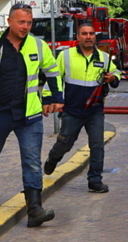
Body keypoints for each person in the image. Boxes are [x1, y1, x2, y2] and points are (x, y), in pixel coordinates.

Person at [0, 3, 63, 227]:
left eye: (29, 22)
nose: (25, 26)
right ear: (9, 22)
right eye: (21, 22)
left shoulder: (38, 45)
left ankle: (35, 209)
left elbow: (52, 71)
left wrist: (56, 98)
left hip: (29, 115)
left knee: (32, 162)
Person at [43, 22, 121, 192]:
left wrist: (112, 78)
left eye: (91, 34)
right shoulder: (65, 56)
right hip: (72, 110)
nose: (88, 37)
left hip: (95, 110)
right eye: (84, 34)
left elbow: (116, 73)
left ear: (95, 37)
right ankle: (52, 159)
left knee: (97, 145)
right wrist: (49, 99)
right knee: (65, 143)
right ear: (78, 37)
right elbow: (54, 78)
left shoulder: (104, 58)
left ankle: (95, 181)